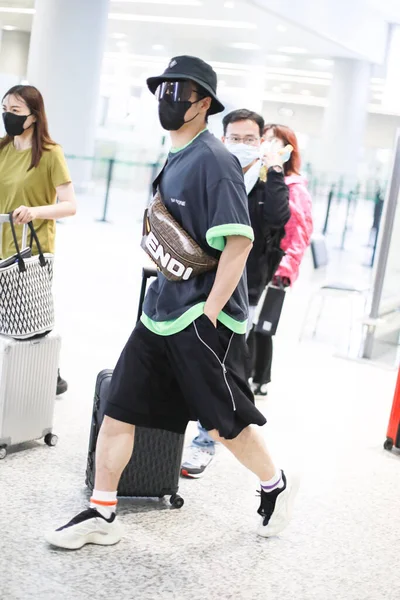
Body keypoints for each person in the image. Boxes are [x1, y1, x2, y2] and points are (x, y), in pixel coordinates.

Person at [45, 56, 299, 550]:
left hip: (199, 317)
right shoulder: (177, 153)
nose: (169, 99)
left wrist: (209, 315)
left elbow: (239, 242)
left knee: (222, 423)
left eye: (180, 91)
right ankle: (102, 512)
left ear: (203, 104)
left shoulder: (214, 160)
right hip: (160, 311)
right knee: (119, 408)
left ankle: (275, 485)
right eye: (163, 89)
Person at [181, 108, 290, 478]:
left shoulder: (265, 180)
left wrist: (274, 169)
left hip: (244, 288)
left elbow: (277, 218)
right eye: (235, 138)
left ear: (261, 142)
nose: (242, 145)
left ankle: (204, 442)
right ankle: (164, 436)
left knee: (219, 369)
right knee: (181, 359)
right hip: (195, 280)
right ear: (222, 138)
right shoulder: (211, 171)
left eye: (250, 139)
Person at [0, 85, 77, 395]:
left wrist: (34, 211)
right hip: (1, 243)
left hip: (30, 250)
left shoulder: (49, 153)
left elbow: (70, 205)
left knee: (30, 321)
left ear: (34, 116)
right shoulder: (1, 149)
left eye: (16, 110)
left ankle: (47, 373)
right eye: (5, 108)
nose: (8, 115)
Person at [249, 124, 313, 397]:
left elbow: (299, 232)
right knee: (251, 323)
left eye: (277, 142)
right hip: (256, 261)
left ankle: (260, 378)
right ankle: (252, 375)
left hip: (276, 265)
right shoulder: (258, 177)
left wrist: (285, 269)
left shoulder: (295, 187)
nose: (271, 146)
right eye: (267, 140)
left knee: (263, 325)